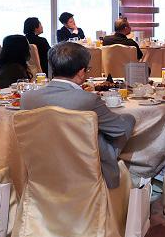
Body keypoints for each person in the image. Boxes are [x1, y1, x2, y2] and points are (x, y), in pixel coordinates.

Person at [21, 42, 135, 189]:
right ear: (81, 72)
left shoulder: (27, 98)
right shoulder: (88, 100)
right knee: (123, 123)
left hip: (41, 169)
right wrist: (129, 118)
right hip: (85, 170)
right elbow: (119, 129)